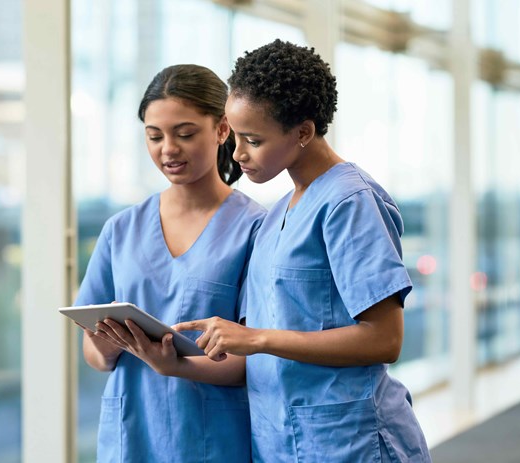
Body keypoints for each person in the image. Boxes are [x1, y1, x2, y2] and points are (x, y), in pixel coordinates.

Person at [174, 40, 433, 462]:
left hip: (349, 441)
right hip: (281, 441)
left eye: (253, 140)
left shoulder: (349, 203)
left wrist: (256, 338)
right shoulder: (276, 215)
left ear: (303, 132)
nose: (237, 154)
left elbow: (385, 339)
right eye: (235, 136)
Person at [74, 64, 266, 463]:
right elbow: (93, 355)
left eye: (185, 134)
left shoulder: (255, 229)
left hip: (212, 440)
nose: (168, 150)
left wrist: (175, 365)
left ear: (222, 130)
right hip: (132, 437)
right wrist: (107, 347)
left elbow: (255, 360)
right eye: (154, 136)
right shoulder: (120, 229)